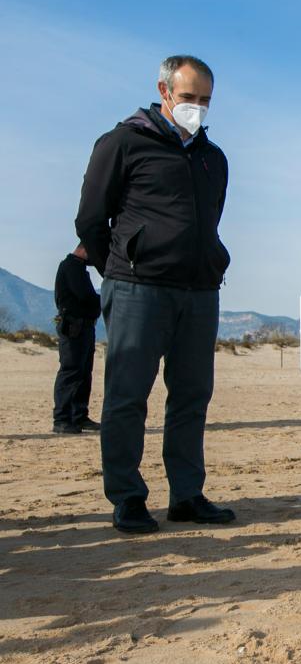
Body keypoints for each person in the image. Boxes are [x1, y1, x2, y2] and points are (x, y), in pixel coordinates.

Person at [75, 55, 235, 534]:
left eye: (206, 100)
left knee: (191, 396)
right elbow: (90, 218)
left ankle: (186, 495)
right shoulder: (123, 142)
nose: (198, 108)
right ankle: (126, 497)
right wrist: (121, 268)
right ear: (165, 92)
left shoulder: (213, 158)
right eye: (189, 98)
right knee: (127, 396)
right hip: (137, 289)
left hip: (199, 292)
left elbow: (211, 217)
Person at [52, 244, 101, 434]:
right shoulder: (71, 266)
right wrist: (102, 300)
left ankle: (79, 416)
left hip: (84, 326)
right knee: (71, 371)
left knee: (84, 372)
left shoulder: (78, 268)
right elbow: (84, 296)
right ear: (84, 250)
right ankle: (62, 418)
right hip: (74, 326)